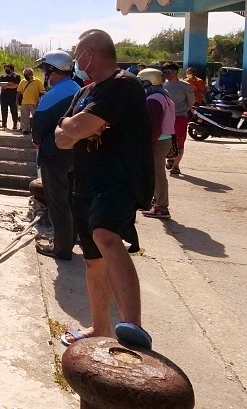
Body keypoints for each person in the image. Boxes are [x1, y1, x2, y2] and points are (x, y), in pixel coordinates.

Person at [55, 29, 153, 349]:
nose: (75, 59)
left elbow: (77, 128)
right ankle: (100, 327)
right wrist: (78, 126)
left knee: (105, 234)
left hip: (118, 180)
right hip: (85, 183)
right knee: (93, 259)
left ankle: (132, 327)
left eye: (78, 53)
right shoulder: (84, 93)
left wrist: (77, 127)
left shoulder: (124, 85)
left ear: (91, 54)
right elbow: (61, 136)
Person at [31, 50, 81, 260]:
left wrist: (38, 144)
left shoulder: (52, 95)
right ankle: (71, 238)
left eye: (45, 70)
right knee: (71, 199)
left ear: (53, 70)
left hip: (54, 155)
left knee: (57, 202)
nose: (45, 75)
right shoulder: (79, 90)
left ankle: (61, 248)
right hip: (76, 153)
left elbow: (38, 130)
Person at [139, 69, 176, 219]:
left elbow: (154, 126)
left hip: (158, 141)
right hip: (164, 139)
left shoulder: (153, 99)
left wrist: (146, 143)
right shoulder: (163, 96)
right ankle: (156, 202)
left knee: (157, 174)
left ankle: (161, 207)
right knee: (155, 173)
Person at [162, 62, 195, 177]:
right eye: (165, 72)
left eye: (169, 72)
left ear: (175, 72)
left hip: (181, 117)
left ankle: (176, 166)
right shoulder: (162, 86)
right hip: (166, 117)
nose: (167, 74)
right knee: (166, 140)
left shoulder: (185, 86)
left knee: (180, 142)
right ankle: (170, 158)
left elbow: (191, 102)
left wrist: (183, 110)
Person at [17, 67, 45, 134]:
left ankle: (36, 129)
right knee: (24, 117)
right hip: (25, 102)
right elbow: (19, 92)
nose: (25, 76)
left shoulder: (37, 81)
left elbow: (42, 91)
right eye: (24, 75)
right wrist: (17, 101)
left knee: (36, 117)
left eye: (26, 75)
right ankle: (25, 129)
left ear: (31, 74)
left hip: (34, 103)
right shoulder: (22, 81)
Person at [0, 63, 21, 129]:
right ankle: (4, 124)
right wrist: (9, 83)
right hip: (4, 97)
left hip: (13, 97)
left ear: (11, 70)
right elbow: (0, 84)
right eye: (5, 69)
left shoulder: (16, 77)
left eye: (7, 69)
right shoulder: (3, 76)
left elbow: (16, 85)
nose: (6, 71)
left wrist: (6, 86)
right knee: (4, 111)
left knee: (14, 111)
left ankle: (15, 125)